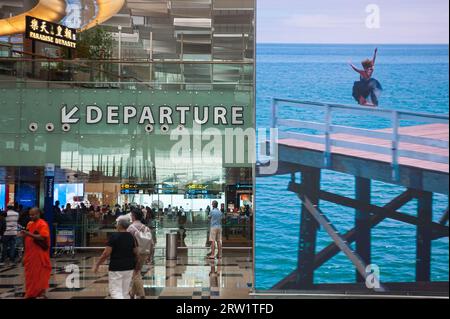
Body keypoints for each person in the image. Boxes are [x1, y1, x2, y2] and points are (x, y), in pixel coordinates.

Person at [94, 218, 138, 299]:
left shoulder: (114, 236)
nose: (116, 225)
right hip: (129, 267)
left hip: (116, 267)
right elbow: (136, 252)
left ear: (120, 225)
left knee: (115, 291)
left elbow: (106, 253)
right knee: (125, 292)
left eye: (117, 223)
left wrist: (97, 264)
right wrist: (136, 266)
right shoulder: (131, 237)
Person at [20, 208, 52, 299]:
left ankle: (42, 293)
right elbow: (26, 240)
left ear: (38, 214)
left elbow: (42, 237)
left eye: (33, 215)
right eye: (30, 215)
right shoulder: (29, 224)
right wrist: (24, 255)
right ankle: (31, 292)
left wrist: (28, 234)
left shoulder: (42, 224)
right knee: (30, 275)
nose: (31, 217)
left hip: (39, 254)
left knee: (41, 274)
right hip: (30, 255)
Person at [127, 209, 153, 299]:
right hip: (144, 253)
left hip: (134, 253)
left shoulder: (130, 228)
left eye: (131, 215)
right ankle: (131, 293)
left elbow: (127, 242)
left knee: (135, 274)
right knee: (137, 272)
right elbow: (151, 243)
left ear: (133, 216)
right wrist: (150, 255)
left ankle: (142, 295)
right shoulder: (146, 228)